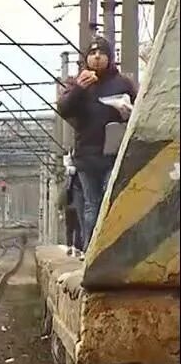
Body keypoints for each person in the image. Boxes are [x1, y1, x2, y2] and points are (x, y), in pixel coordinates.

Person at [56, 36, 137, 249]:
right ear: (86, 59)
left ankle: (113, 249)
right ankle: (92, 250)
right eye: (93, 54)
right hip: (86, 156)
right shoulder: (77, 84)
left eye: (102, 54)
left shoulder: (122, 83)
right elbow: (64, 109)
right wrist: (79, 90)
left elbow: (139, 110)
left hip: (114, 154)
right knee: (92, 204)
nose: (98, 57)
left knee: (111, 201)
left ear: (110, 58)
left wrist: (127, 111)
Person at [61, 155, 85, 253]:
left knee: (70, 228)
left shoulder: (68, 185)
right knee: (77, 226)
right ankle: (76, 246)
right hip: (75, 207)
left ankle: (71, 245)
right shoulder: (77, 183)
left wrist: (60, 209)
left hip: (69, 207)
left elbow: (62, 197)